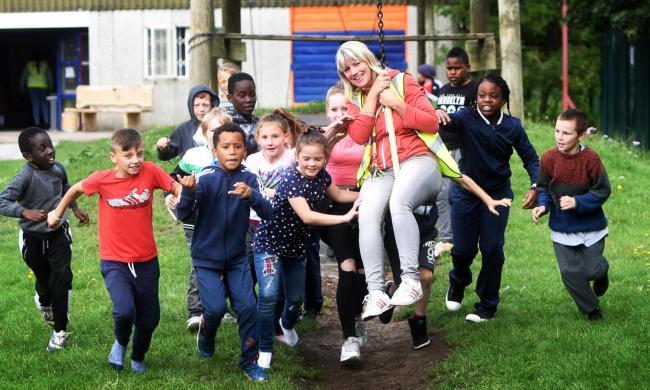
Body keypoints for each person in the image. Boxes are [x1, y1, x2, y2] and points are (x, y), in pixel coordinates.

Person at [47, 128, 183, 373]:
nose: (136, 160)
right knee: (124, 311)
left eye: (139, 154)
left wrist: (180, 194)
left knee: (150, 318)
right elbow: (74, 189)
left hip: (147, 260)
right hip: (114, 261)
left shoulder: (151, 171)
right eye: (128, 155)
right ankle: (120, 342)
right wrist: (57, 213)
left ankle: (138, 356)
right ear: (114, 157)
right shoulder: (102, 179)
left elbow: (173, 187)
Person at [335, 40, 450, 319]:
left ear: (368, 60)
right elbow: (360, 137)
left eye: (356, 63)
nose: (353, 72)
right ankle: (376, 292)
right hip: (382, 169)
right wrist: (373, 96)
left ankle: (409, 280)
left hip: (419, 161)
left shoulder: (401, 82)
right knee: (367, 215)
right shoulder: (357, 99)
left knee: (400, 202)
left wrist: (396, 104)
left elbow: (431, 123)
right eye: (346, 69)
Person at [253, 129, 360, 369]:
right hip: (269, 244)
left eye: (317, 159)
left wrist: (367, 195)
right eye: (306, 159)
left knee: (296, 301)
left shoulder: (323, 176)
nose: (312, 164)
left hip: (296, 248)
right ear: (297, 157)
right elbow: (308, 216)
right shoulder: (291, 180)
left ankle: (287, 324)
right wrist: (345, 219)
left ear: (325, 159)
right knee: (269, 296)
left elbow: (340, 194)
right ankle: (264, 351)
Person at [437, 74, 539, 322]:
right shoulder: (466, 117)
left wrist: (536, 186)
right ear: (475, 98)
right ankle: (458, 281)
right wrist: (438, 116)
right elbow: (447, 125)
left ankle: (487, 305)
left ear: (503, 99)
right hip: (465, 193)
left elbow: (531, 159)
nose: (487, 100)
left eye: (493, 96)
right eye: (482, 95)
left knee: (493, 249)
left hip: (499, 196)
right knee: (462, 250)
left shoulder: (512, 126)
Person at [175, 123, 271, 382]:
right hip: (206, 259)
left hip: (237, 258)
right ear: (214, 150)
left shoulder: (249, 178)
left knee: (248, 307)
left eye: (237, 146)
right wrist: (189, 192)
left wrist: (252, 196)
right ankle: (207, 332)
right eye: (225, 147)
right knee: (215, 309)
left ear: (244, 149)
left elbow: (268, 213)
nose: (232, 152)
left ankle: (249, 361)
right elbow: (183, 213)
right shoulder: (205, 178)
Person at [0, 128, 88, 351]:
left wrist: (75, 209)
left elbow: (66, 189)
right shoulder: (25, 176)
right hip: (32, 239)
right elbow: (2, 200)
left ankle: (59, 331)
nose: (50, 151)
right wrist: (24, 212)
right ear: (29, 156)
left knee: (61, 278)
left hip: (58, 233)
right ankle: (43, 301)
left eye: (50, 145)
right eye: (42, 148)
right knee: (44, 278)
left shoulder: (58, 169)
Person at [532, 109, 610, 321]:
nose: (559, 137)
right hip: (562, 229)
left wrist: (578, 202)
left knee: (591, 271)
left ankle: (602, 271)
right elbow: (544, 188)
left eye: (566, 133)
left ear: (581, 135)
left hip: (592, 228)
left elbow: (603, 191)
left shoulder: (591, 159)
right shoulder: (548, 159)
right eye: (557, 131)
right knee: (569, 273)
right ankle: (592, 309)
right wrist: (543, 206)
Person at [166, 108, 233, 330]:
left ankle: (220, 308)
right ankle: (195, 311)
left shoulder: (232, 155)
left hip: (223, 222)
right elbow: (172, 178)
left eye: (222, 129)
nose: (216, 134)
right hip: (194, 221)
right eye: (212, 130)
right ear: (203, 134)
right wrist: (171, 196)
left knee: (223, 262)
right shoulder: (193, 156)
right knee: (200, 263)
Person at [319, 83, 369, 364]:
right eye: (334, 108)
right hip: (333, 205)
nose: (340, 113)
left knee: (362, 267)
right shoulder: (322, 138)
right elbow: (310, 152)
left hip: (363, 201)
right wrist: (333, 131)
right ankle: (348, 339)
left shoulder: (365, 134)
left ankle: (360, 316)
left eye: (345, 107)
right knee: (346, 266)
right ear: (327, 112)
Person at [434, 47, 478, 257]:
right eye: (449, 68)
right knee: (441, 193)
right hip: (441, 148)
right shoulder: (442, 91)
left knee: (460, 193)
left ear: (467, 68)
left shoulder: (475, 90)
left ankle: (468, 236)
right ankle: (446, 239)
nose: (452, 72)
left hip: (463, 149)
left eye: (457, 68)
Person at [156, 84, 218, 161]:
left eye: (205, 105)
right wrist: (163, 148)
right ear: (191, 106)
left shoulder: (219, 126)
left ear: (212, 106)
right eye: (196, 105)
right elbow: (166, 155)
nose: (201, 109)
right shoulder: (183, 129)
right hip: (189, 171)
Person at [224, 73, 259, 156]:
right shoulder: (224, 125)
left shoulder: (261, 124)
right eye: (242, 95)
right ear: (230, 98)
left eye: (252, 95)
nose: (249, 100)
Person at [20, 58, 53, 127]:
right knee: (44, 105)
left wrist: (21, 86)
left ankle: (37, 123)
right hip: (43, 87)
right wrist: (51, 86)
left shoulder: (29, 64)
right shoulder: (45, 64)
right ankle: (47, 122)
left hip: (32, 87)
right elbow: (49, 76)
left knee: (35, 105)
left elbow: (23, 76)